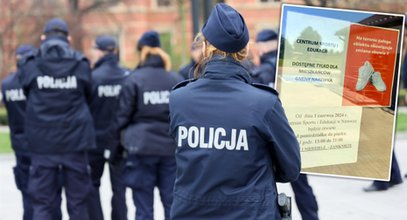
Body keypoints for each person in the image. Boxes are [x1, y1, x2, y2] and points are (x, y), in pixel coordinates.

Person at [168, 3, 301, 219]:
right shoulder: (264, 102)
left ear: (206, 47)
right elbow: (291, 169)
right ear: (245, 50)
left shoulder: (179, 99)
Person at [17, 18, 95, 220]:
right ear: (68, 38)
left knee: (42, 203)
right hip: (75, 142)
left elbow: (26, 92)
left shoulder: (30, 64)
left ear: (43, 38)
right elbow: (89, 94)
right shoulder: (80, 63)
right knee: (78, 203)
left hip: (42, 143)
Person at [113, 30, 183, 220]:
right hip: (169, 149)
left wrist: (116, 148)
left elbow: (122, 117)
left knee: (143, 207)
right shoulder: (174, 79)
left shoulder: (134, 79)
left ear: (141, 51)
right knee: (171, 203)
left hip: (141, 148)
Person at [255, 29, 320, 220]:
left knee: (265, 187)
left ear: (261, 46)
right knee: (302, 186)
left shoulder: (259, 74)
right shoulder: (293, 69)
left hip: (268, 140)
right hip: (294, 137)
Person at [2, 44, 64, 220]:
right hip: (42, 144)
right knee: (51, 194)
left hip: (20, 145)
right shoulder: (40, 82)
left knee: (28, 195)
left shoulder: (7, 84)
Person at [87, 35, 128, 220]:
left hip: (95, 139)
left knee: (92, 185)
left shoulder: (93, 77)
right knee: (119, 188)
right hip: (120, 140)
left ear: (100, 51)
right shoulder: (127, 75)